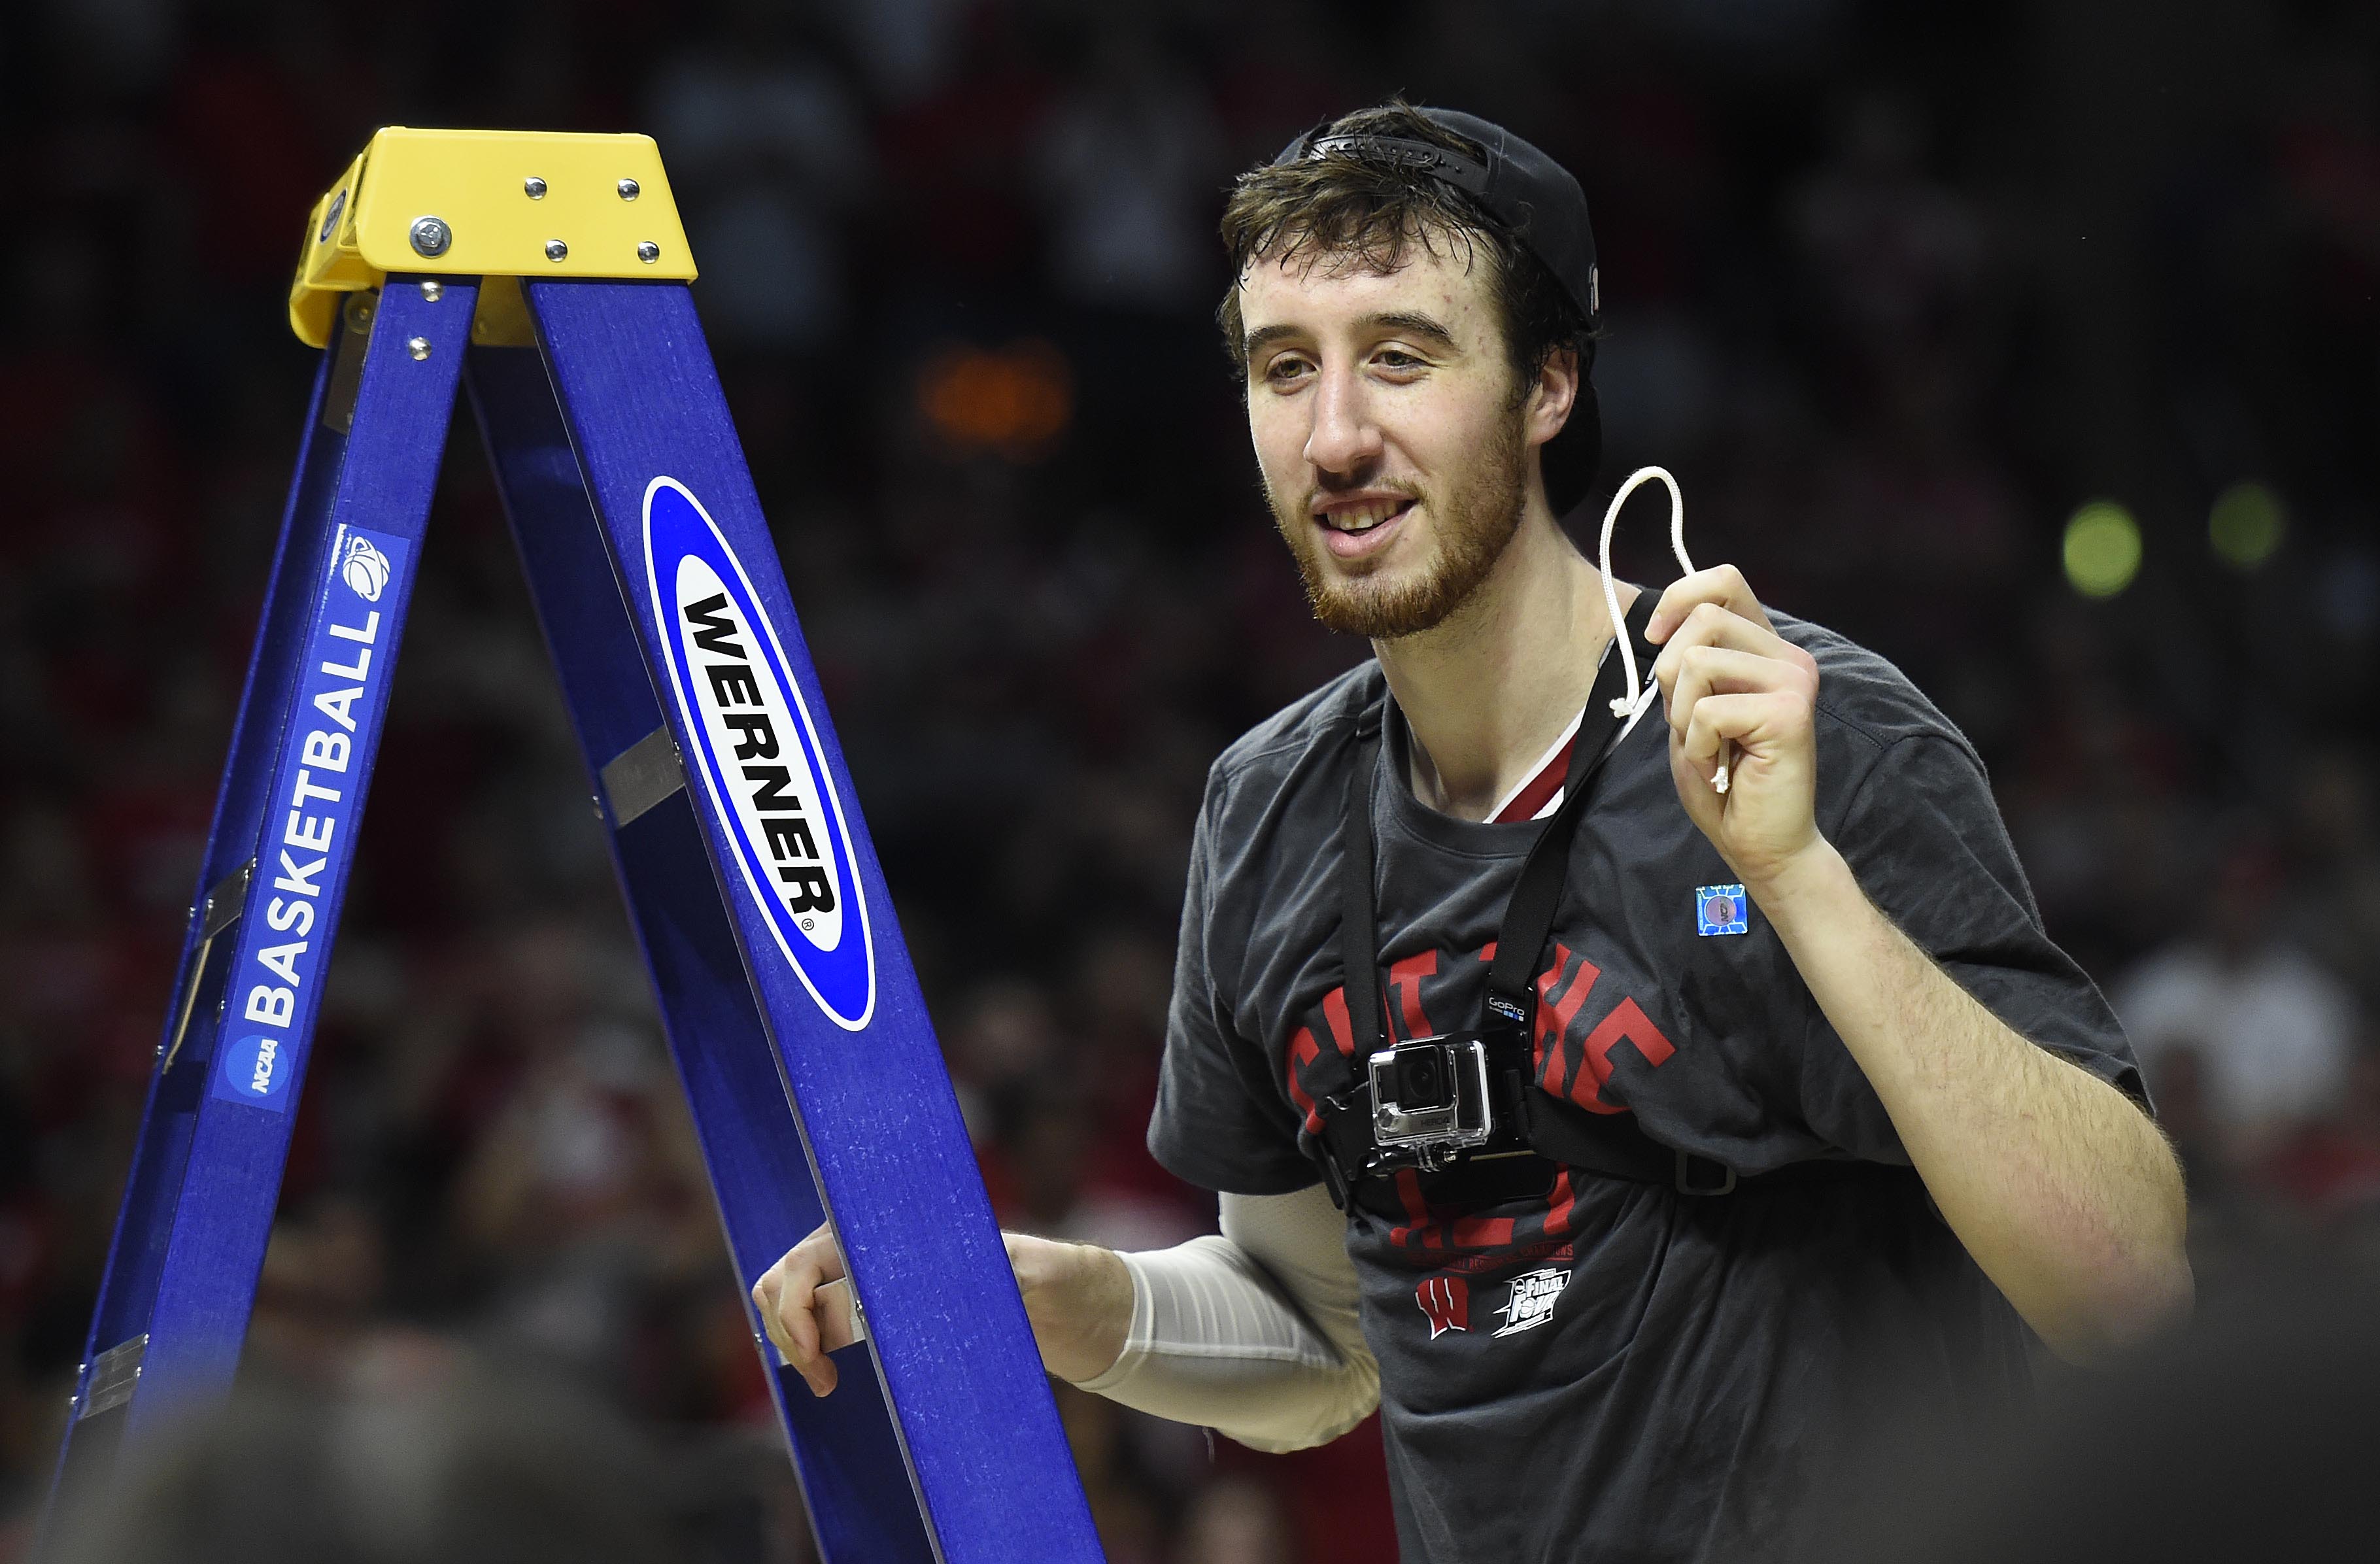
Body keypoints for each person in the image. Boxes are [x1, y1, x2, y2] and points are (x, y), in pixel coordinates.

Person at [755, 100, 2194, 1563]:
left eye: (1399, 357)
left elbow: (2129, 1284)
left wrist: (1793, 874)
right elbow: (1324, 1337)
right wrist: (1069, 1304)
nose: (1333, 437)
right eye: (1282, 371)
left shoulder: (1801, 737)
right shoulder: (1265, 814)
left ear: (1548, 382)